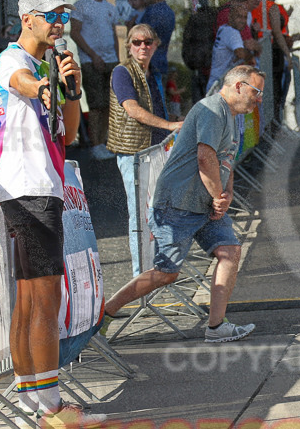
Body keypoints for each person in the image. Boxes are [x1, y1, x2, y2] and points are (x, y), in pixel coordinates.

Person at [0, 0, 105, 429]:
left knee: (30, 298)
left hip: (40, 187)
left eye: (64, 17)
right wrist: (46, 83)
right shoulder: (14, 60)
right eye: (51, 17)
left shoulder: (49, 65)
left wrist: (70, 89)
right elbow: (24, 85)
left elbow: (68, 133)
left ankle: (29, 395)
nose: (60, 25)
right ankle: (52, 409)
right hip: (28, 189)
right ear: (28, 19)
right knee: (45, 299)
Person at [104, 65, 265, 342]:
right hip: (177, 204)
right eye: (256, 91)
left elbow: (226, 160)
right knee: (166, 273)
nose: (259, 98)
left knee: (229, 252)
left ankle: (216, 327)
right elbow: (205, 158)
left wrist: (225, 196)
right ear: (238, 86)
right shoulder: (212, 111)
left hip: (205, 205)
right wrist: (218, 197)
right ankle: (105, 315)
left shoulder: (232, 115)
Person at [106, 24, 183, 276]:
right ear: (128, 46)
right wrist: (170, 124)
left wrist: (174, 122)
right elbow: (133, 109)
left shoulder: (153, 73)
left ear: (156, 45)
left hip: (156, 150)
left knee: (159, 213)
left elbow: (156, 110)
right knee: (140, 217)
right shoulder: (122, 72)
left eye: (148, 42)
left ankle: (157, 272)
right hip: (134, 154)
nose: (142, 46)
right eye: (137, 42)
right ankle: (142, 276)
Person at [70, 0, 120, 161]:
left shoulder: (110, 8)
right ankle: (95, 144)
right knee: (96, 104)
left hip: (110, 60)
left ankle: (104, 141)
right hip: (91, 61)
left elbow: (115, 35)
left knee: (110, 104)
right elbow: (75, 32)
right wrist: (93, 55)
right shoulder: (81, 6)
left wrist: (117, 59)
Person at [251, 0, 293, 125]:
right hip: (272, 52)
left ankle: (267, 124)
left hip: (258, 52)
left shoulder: (253, 7)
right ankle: (273, 124)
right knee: (274, 91)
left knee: (262, 92)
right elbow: (277, 33)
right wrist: (288, 54)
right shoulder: (271, 7)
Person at [140, 0, 177, 117]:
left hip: (152, 64)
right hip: (156, 63)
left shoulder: (156, 12)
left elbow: (145, 37)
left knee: (153, 107)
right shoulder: (162, 11)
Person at [207, 1, 254, 94]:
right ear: (230, 17)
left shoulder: (224, 28)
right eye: (239, 16)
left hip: (216, 85)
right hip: (220, 87)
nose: (242, 21)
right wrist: (251, 54)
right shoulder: (233, 33)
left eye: (245, 17)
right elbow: (241, 54)